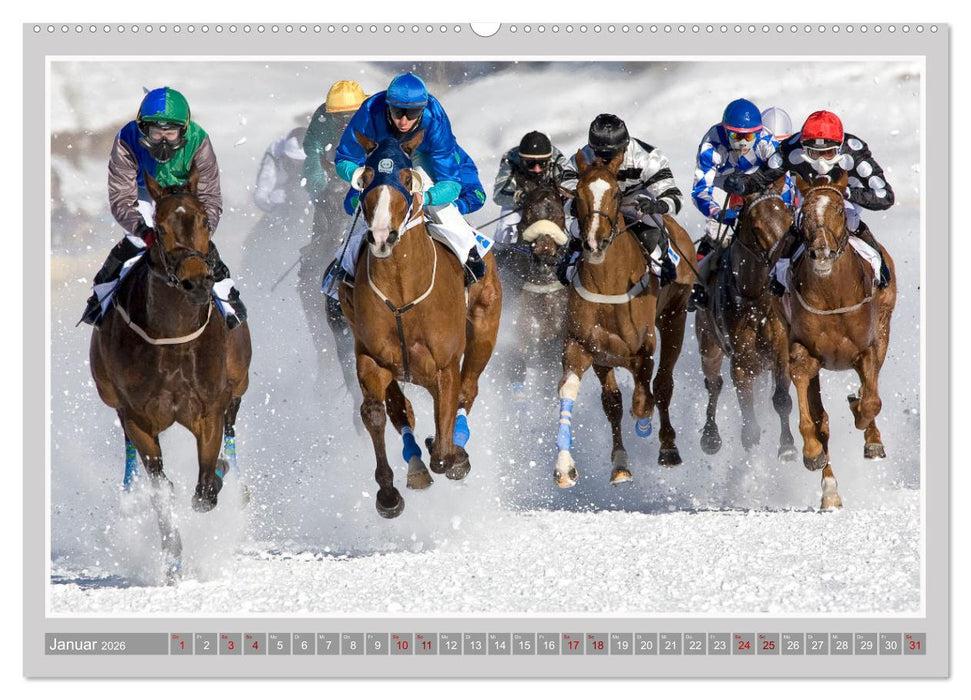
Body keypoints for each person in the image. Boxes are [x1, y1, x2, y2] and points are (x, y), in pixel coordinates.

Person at [79, 86, 246, 328]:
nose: (164, 139)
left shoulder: (199, 140)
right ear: (143, 127)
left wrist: (203, 230)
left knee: (201, 245)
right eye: (156, 132)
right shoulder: (126, 139)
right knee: (135, 242)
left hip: (185, 196)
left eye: (172, 132)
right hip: (144, 193)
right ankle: (101, 297)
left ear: (185, 129)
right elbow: (121, 197)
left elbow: (209, 195)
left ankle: (228, 301)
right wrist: (143, 232)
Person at [330, 72, 488, 290]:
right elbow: (344, 158)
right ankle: (342, 268)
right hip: (379, 155)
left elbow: (451, 183)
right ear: (387, 107)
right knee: (360, 204)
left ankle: (468, 253)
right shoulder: (368, 111)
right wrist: (356, 175)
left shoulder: (436, 119)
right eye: (397, 113)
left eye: (412, 114)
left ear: (423, 110)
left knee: (426, 184)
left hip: (421, 155)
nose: (403, 121)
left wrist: (426, 197)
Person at [724, 109, 893, 292]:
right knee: (799, 223)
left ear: (840, 146)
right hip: (810, 196)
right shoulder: (791, 149)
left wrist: (845, 193)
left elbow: (885, 196)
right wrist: (743, 185)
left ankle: (879, 265)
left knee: (850, 220)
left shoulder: (854, 153)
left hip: (844, 196)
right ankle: (780, 277)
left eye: (828, 153)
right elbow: (763, 177)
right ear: (803, 147)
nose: (821, 161)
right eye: (813, 153)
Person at [688, 98, 795, 309]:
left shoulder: (766, 140)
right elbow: (700, 190)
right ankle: (698, 283)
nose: (743, 143)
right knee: (718, 231)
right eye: (736, 136)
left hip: (755, 183)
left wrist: (782, 209)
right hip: (722, 183)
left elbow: (785, 180)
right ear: (726, 130)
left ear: (759, 131)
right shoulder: (712, 143)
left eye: (749, 136)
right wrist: (718, 212)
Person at [561, 113, 682, 285]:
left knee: (654, 224)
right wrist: (578, 204)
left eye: (612, 153)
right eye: (600, 153)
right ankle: (570, 258)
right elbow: (567, 187)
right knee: (575, 227)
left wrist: (658, 205)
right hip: (598, 204)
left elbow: (673, 195)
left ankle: (662, 261)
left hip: (634, 202)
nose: (605, 159)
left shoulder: (648, 157)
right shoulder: (581, 159)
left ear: (625, 146)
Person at [492, 130, 569, 244]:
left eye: (542, 163)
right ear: (521, 160)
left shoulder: (558, 161)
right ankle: (499, 254)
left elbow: (569, 187)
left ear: (549, 160)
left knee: (570, 224)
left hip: (553, 203)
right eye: (530, 163)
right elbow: (499, 195)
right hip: (522, 203)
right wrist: (522, 197)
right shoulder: (510, 159)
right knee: (505, 227)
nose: (537, 169)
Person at [253, 126, 309, 216]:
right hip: (281, 205)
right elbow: (261, 193)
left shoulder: (322, 155)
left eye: (300, 162)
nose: (295, 165)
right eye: (291, 160)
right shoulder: (274, 152)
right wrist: (271, 204)